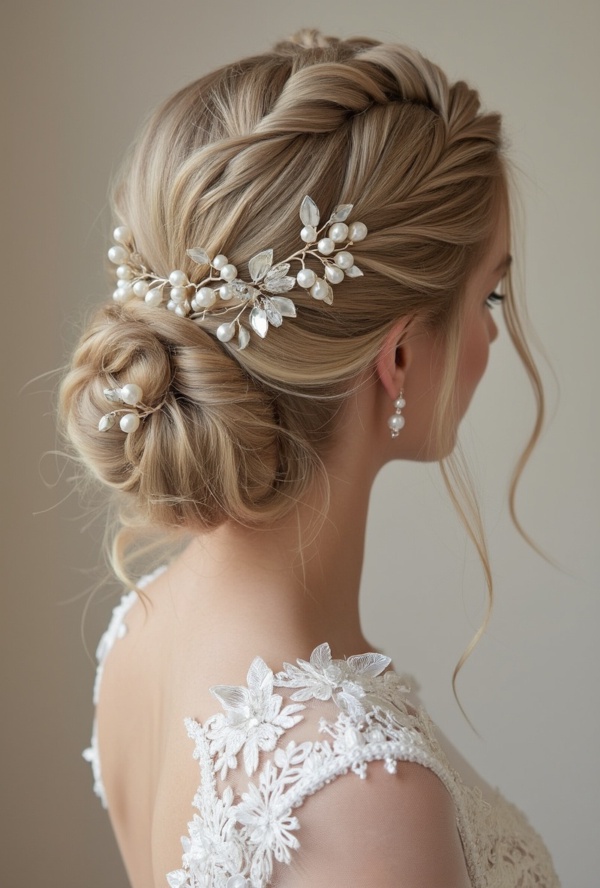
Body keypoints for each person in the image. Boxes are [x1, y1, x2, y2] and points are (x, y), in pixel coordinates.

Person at [59, 28, 560, 888]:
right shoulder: (361, 797)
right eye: (491, 296)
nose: (491, 338)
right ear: (398, 357)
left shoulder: (143, 626)